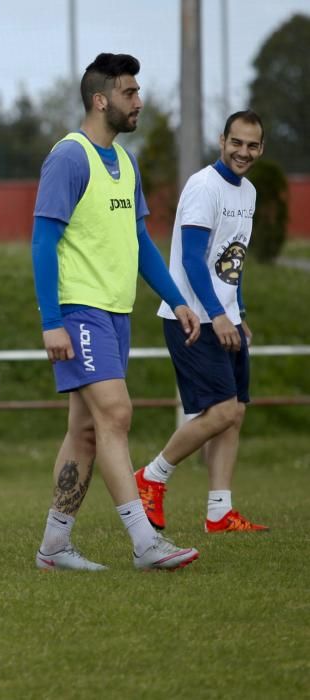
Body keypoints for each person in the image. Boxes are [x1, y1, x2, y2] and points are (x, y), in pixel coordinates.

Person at [30, 53, 203, 571]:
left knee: (86, 432)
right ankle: (144, 543)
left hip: (116, 313)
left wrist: (176, 298)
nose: (139, 101)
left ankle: (54, 549)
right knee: (117, 414)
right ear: (101, 100)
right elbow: (42, 242)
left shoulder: (125, 163)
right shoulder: (69, 157)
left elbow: (140, 242)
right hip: (79, 311)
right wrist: (50, 321)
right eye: (129, 92)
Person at [135, 110, 268, 534]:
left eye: (252, 145)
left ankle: (219, 512)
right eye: (237, 143)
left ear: (260, 148)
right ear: (221, 140)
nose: (243, 152)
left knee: (236, 411)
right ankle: (151, 477)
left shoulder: (248, 192)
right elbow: (193, 259)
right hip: (195, 318)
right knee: (222, 410)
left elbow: (233, 260)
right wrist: (216, 314)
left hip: (224, 318)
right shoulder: (202, 186)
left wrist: (238, 313)